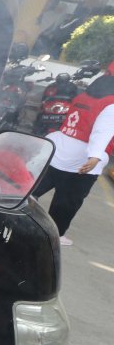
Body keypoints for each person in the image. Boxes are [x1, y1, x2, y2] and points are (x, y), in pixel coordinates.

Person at [33, 59, 114, 246]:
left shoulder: (90, 91)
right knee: (68, 200)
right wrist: (95, 155)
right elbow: (104, 130)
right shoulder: (111, 101)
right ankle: (54, 235)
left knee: (36, 186)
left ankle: (13, 206)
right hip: (82, 158)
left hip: (61, 147)